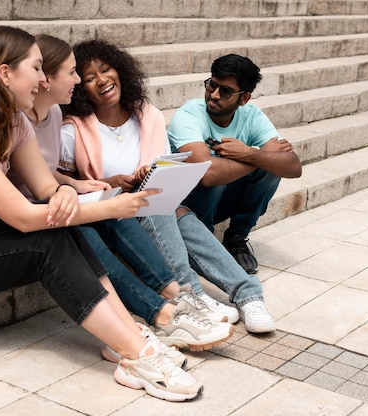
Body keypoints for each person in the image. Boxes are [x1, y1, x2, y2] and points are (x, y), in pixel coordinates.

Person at [0, 26, 202, 402]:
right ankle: (137, 355)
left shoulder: (13, 121)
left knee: (63, 231)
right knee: (45, 239)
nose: (43, 79)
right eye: (36, 69)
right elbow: (24, 218)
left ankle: (125, 335)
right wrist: (111, 207)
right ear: (5, 73)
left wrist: (63, 191)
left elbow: (45, 186)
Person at [3, 34, 233, 357]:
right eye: (73, 74)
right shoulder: (20, 121)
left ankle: (176, 294)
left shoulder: (53, 115)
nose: (79, 80)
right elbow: (18, 189)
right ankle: (160, 313)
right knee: (87, 232)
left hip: (51, 200)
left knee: (115, 206)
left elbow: (43, 174)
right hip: (26, 212)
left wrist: (80, 185)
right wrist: (70, 189)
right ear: (44, 80)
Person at [60, 39, 276, 333]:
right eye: (88, 78)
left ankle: (247, 295)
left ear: (120, 70)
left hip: (154, 209)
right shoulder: (73, 130)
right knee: (156, 201)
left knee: (172, 208)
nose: (101, 81)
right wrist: (111, 183)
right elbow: (64, 189)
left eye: (106, 69)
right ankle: (190, 293)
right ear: (79, 86)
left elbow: (162, 174)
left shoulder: (147, 115)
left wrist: (147, 178)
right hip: (110, 217)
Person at [167, 54, 303, 275]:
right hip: (187, 205)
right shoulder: (189, 115)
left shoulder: (252, 116)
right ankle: (202, 244)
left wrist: (249, 153)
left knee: (271, 172)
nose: (214, 95)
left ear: (244, 98)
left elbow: (293, 167)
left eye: (226, 91)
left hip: (222, 200)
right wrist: (257, 158)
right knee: (220, 179)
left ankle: (236, 238)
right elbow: (207, 173)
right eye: (212, 85)